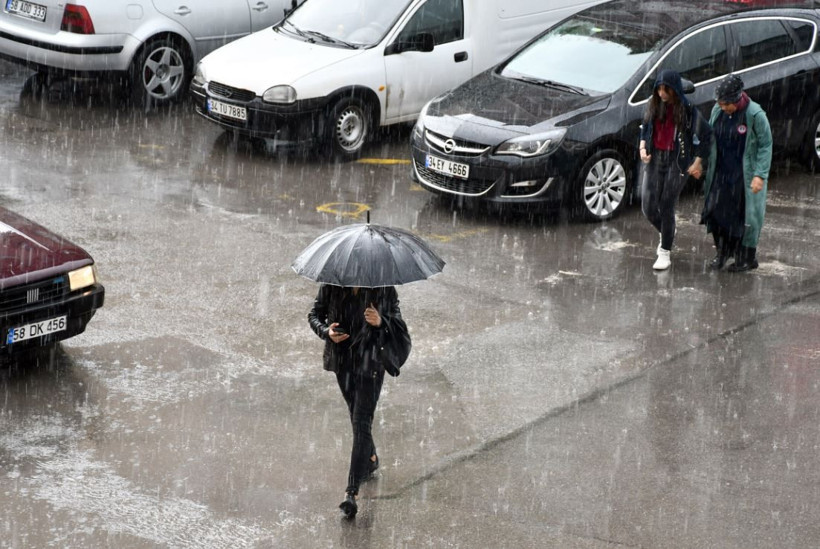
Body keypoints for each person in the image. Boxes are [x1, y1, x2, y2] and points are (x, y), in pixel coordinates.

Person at [308, 284, 405, 518]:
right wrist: (326, 332)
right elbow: (314, 315)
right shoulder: (332, 286)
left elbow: (399, 325)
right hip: (343, 364)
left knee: (361, 422)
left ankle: (351, 492)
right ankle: (370, 459)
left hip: (371, 365)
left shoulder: (384, 289)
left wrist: (381, 321)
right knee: (357, 418)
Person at [639, 69, 712, 270]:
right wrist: (642, 147)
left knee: (666, 203)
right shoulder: (653, 105)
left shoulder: (687, 110)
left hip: (677, 161)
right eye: (659, 89)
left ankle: (665, 250)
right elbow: (645, 127)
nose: (662, 94)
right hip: (655, 159)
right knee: (648, 205)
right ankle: (667, 231)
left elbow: (706, 135)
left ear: (675, 91)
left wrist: (697, 162)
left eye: (666, 90)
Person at [701, 73, 772, 272]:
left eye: (726, 104)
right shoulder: (717, 111)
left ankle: (747, 258)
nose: (722, 107)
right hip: (720, 171)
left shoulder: (755, 114)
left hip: (744, 174)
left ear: (737, 99)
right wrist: (699, 161)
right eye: (720, 104)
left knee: (743, 217)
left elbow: (766, 145)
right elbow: (709, 136)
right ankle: (722, 252)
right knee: (715, 212)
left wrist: (760, 174)